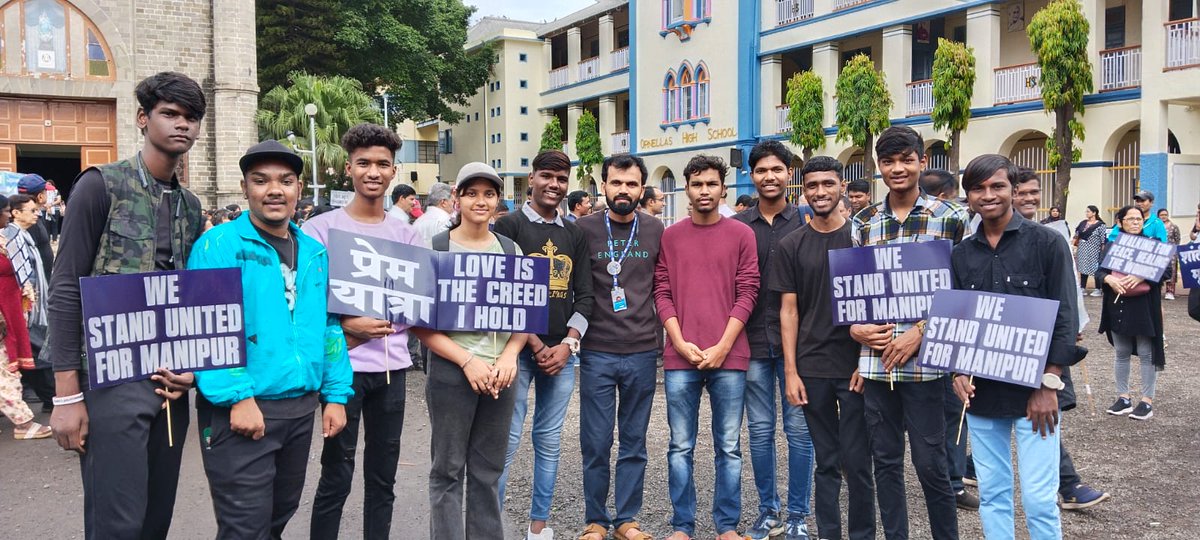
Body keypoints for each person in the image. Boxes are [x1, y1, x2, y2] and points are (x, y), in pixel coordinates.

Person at [47, 72, 206, 539]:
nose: (183, 125)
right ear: (143, 118)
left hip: (169, 385)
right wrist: (67, 395)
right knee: (116, 524)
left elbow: (190, 299)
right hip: (110, 379)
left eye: (191, 118)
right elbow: (66, 287)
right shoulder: (101, 186)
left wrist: (191, 371)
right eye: (170, 114)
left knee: (156, 521)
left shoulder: (192, 207)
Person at [188, 140, 352, 539]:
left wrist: (336, 395)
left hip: (299, 408)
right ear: (245, 189)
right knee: (245, 527)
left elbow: (328, 326)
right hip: (242, 409)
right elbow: (208, 327)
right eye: (260, 181)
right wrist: (238, 397)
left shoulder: (314, 251)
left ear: (299, 189)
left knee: (279, 516)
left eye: (286, 180)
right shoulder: (218, 245)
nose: (274, 190)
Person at [951, 153, 1078, 540]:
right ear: (968, 196)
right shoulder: (960, 254)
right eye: (978, 188)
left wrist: (1048, 384)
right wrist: (957, 371)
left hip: (1036, 394)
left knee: (1040, 499)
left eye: (997, 186)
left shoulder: (1048, 243)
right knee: (993, 495)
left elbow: (1065, 318)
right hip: (982, 393)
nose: (988, 195)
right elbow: (957, 321)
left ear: (1013, 189)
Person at [849, 126, 964, 540]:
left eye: (906, 159)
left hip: (927, 368)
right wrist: (856, 329)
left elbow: (964, 290)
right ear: (878, 167)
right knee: (886, 464)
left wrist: (922, 330)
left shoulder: (951, 219)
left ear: (922, 161)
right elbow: (855, 293)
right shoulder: (863, 223)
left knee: (932, 465)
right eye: (888, 161)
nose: (897, 168)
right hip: (878, 367)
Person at [304, 124, 418, 540]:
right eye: (364, 163)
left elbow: (416, 303)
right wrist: (345, 327)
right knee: (336, 472)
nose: (373, 171)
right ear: (348, 168)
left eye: (383, 164)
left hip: (393, 371)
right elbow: (306, 304)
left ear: (393, 171)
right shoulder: (320, 230)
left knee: (383, 476)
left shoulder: (407, 233)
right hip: (341, 371)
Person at [417, 162, 525, 540]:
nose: (481, 201)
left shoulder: (511, 249)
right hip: (451, 371)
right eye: (472, 193)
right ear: (457, 198)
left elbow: (524, 316)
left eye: (489, 194)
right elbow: (420, 323)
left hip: (501, 373)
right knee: (447, 469)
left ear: (497, 201)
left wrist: (510, 356)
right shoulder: (437, 248)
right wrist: (466, 361)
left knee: (487, 470)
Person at [654, 154, 759, 540]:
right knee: (680, 446)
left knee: (728, 448)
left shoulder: (741, 235)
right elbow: (662, 291)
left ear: (723, 189)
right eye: (697, 184)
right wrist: (679, 341)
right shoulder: (671, 235)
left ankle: (726, 526)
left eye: (711, 184)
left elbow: (748, 292)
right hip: (680, 357)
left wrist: (722, 346)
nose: (704, 191)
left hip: (729, 357)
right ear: (687, 189)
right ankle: (682, 525)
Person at [494, 150, 595, 540]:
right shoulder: (509, 225)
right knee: (507, 438)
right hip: (516, 353)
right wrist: (534, 343)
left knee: (549, 441)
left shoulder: (574, 232)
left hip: (562, 353)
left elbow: (584, 294)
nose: (554, 184)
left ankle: (538, 525)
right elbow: (502, 292)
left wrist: (569, 343)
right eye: (547, 176)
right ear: (532, 178)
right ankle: (490, 523)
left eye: (562, 178)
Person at [775, 156, 875, 540]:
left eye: (827, 184)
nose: (819, 192)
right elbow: (789, 310)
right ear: (804, 189)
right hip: (812, 367)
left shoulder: (862, 238)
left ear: (841, 188)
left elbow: (877, 304)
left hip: (856, 367)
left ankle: (862, 534)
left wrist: (869, 362)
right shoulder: (792, 244)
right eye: (812, 185)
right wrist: (791, 371)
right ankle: (829, 533)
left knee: (858, 462)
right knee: (827, 462)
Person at [1007, 171, 1110, 512]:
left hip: (1041, 349)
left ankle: (1065, 484)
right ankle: (1068, 484)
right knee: (999, 416)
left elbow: (1066, 295)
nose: (1029, 199)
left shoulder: (1051, 240)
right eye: (1021, 193)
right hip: (999, 349)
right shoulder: (979, 240)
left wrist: (1072, 329)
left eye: (1035, 192)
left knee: (1042, 412)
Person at [574, 154, 664, 540]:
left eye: (631, 184)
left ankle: (627, 518)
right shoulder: (583, 229)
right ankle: (595, 519)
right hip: (596, 350)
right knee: (595, 441)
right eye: (616, 183)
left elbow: (666, 286)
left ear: (641, 189)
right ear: (604, 185)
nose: (623, 190)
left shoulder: (657, 230)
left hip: (643, 349)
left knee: (634, 440)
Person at [733, 140, 814, 540]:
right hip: (749, 343)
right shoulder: (738, 226)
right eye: (762, 171)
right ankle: (769, 510)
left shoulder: (806, 222)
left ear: (789, 174)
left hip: (796, 347)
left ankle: (799, 514)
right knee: (761, 431)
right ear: (752, 175)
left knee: (799, 431)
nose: (769, 177)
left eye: (777, 170)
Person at [1098, 205, 1165, 421]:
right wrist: (1109, 280)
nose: (1136, 222)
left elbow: (1167, 270)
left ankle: (1147, 401)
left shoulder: (1152, 245)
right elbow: (1099, 271)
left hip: (1143, 306)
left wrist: (1143, 275)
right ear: (1120, 222)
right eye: (1131, 219)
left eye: (1139, 219)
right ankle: (1123, 397)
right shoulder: (1112, 245)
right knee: (1121, 351)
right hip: (1117, 304)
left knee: (1146, 353)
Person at [15, 174, 55, 409]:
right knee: (37, 342)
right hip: (32, 296)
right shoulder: (19, 229)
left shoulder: (32, 220)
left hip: (40, 291)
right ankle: (47, 395)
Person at [1074, 205, 1106, 296]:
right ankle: (1083, 287)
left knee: (1095, 268)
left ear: (1094, 213)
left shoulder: (1100, 225)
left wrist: (1102, 251)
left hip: (1094, 250)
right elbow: (1077, 234)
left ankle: (1098, 289)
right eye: (1086, 211)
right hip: (1082, 249)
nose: (1086, 213)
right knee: (1083, 268)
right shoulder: (1083, 223)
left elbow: (1103, 239)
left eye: (1088, 211)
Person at [413, 182, 455, 247]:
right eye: (452, 201)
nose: (453, 205)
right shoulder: (445, 221)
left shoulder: (417, 222)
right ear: (443, 202)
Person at [1159, 208, 1181, 300]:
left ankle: (1170, 292)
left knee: (1171, 272)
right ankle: (1158, 291)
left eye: (1165, 214)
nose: (1163, 216)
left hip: (1171, 252)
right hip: (1159, 251)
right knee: (1158, 271)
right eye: (1161, 215)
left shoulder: (1174, 226)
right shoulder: (1157, 226)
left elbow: (1177, 239)